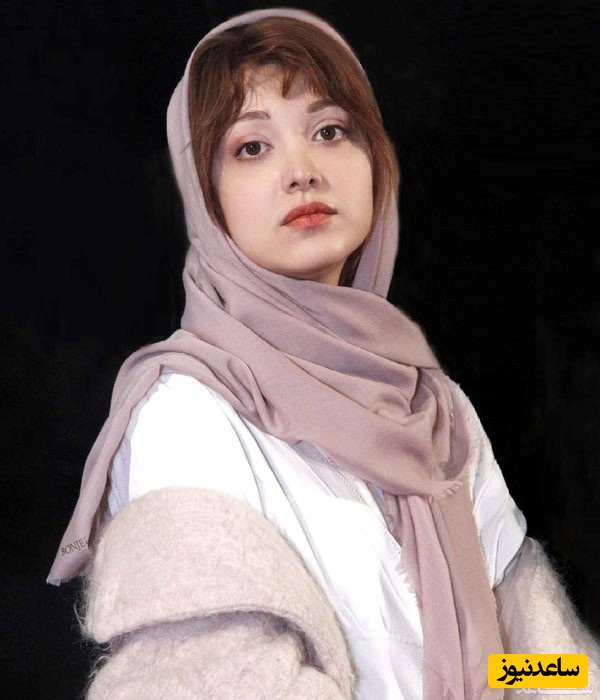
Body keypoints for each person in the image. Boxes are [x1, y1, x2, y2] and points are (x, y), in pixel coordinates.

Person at [47, 7, 598, 699]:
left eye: (330, 131)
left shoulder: (435, 412)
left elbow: (517, 659)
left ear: (374, 162)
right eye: (252, 147)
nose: (301, 171)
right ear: (205, 195)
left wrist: (576, 680)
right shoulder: (186, 414)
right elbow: (219, 679)